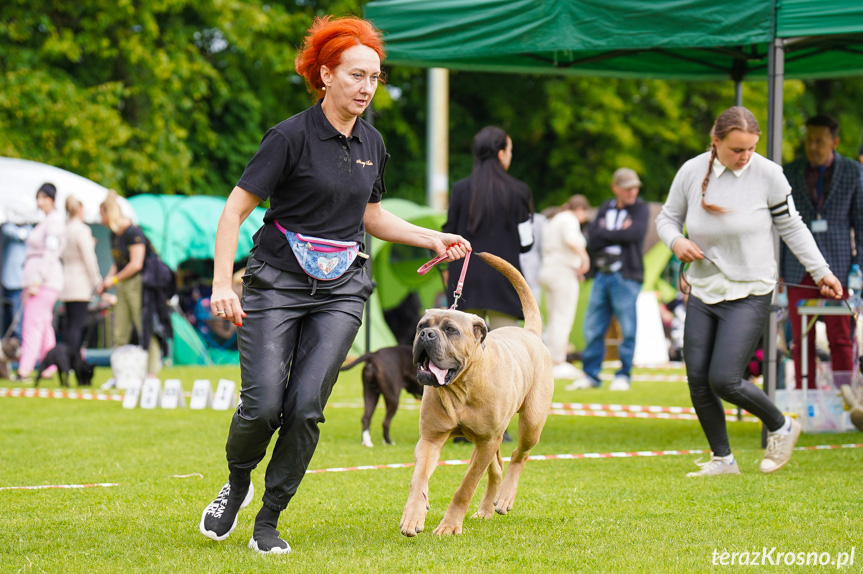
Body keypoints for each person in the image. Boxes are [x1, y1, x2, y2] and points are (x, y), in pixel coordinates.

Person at [198, 15, 470, 555]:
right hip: (276, 281)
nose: (367, 87)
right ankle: (237, 481)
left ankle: (269, 520)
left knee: (305, 407)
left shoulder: (373, 142)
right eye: (355, 75)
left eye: (375, 77)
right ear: (325, 75)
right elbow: (235, 211)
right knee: (263, 404)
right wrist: (219, 284)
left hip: (343, 288)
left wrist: (430, 237)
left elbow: (371, 216)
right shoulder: (289, 137)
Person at [655, 106, 843, 477]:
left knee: (724, 377)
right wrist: (676, 241)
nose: (745, 158)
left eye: (751, 149)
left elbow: (793, 228)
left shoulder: (769, 175)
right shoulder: (692, 171)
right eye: (737, 149)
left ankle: (782, 425)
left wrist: (822, 272)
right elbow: (666, 218)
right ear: (716, 142)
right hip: (704, 288)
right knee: (697, 377)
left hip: (751, 289)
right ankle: (723, 459)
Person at [781, 114, 863, 390]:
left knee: (840, 338)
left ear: (835, 142)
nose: (813, 146)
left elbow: (861, 226)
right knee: (801, 339)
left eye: (820, 141)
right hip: (796, 269)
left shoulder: (853, 172)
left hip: (838, 269)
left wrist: (858, 268)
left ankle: (846, 401)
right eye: (809, 140)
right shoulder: (789, 172)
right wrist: (778, 270)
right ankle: (807, 398)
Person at [442, 126, 534, 329]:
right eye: (510, 151)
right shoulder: (519, 191)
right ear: (501, 153)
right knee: (505, 351)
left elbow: (448, 235)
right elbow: (527, 243)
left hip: (465, 283)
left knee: (465, 352)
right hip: (505, 281)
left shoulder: (460, 189)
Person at [569, 168, 648, 391]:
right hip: (602, 276)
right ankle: (591, 375)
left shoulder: (640, 209)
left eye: (635, 187)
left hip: (626, 276)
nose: (633, 191)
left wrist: (607, 233)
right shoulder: (606, 207)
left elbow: (635, 234)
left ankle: (624, 374)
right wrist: (617, 234)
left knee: (627, 328)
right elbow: (592, 238)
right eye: (628, 187)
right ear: (615, 188)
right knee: (593, 326)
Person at [95, 191, 162, 378]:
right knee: (119, 330)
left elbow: (136, 264)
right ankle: (120, 373)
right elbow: (118, 263)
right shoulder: (114, 235)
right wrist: (107, 282)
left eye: (102, 215)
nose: (101, 220)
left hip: (140, 284)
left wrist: (114, 280)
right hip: (123, 284)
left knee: (145, 328)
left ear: (110, 213)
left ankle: (151, 374)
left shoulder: (134, 232)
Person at [539, 195, 591, 380]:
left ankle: (551, 359)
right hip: (563, 272)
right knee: (563, 316)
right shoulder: (569, 219)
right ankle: (558, 361)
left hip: (547, 270)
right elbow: (571, 240)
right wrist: (584, 257)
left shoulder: (553, 220)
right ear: (581, 210)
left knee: (553, 316)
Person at [18, 183, 66, 380]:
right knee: (44, 325)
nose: (40, 202)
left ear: (52, 200)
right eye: (38, 198)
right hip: (41, 280)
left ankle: (25, 369)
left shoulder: (54, 222)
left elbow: (50, 252)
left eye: (44, 198)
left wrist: (38, 280)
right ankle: (50, 366)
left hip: (44, 282)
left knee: (31, 325)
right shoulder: (45, 221)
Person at [60, 196, 102, 355]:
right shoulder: (82, 230)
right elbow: (89, 259)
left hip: (66, 280)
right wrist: (97, 282)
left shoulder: (64, 229)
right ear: (79, 209)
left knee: (70, 323)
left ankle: (69, 358)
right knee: (77, 325)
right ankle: (73, 359)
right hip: (80, 282)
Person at [1, 210, 33, 342]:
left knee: (18, 322)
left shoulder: (30, 231)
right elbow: (7, 229)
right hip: (6, 282)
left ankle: (20, 351)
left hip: (20, 283)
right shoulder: (6, 228)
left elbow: (23, 234)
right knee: (7, 320)